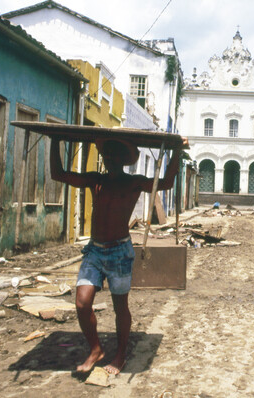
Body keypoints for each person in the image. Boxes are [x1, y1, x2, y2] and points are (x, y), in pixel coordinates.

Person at [50, 136, 187, 375]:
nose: (111, 159)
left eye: (116, 156)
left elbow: (165, 183)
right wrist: (54, 141)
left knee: (119, 307)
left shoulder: (133, 182)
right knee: (82, 303)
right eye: (108, 155)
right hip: (94, 250)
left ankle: (120, 354)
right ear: (104, 158)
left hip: (120, 252)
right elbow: (58, 174)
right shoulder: (95, 180)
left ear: (124, 160)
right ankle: (96, 350)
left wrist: (176, 152)